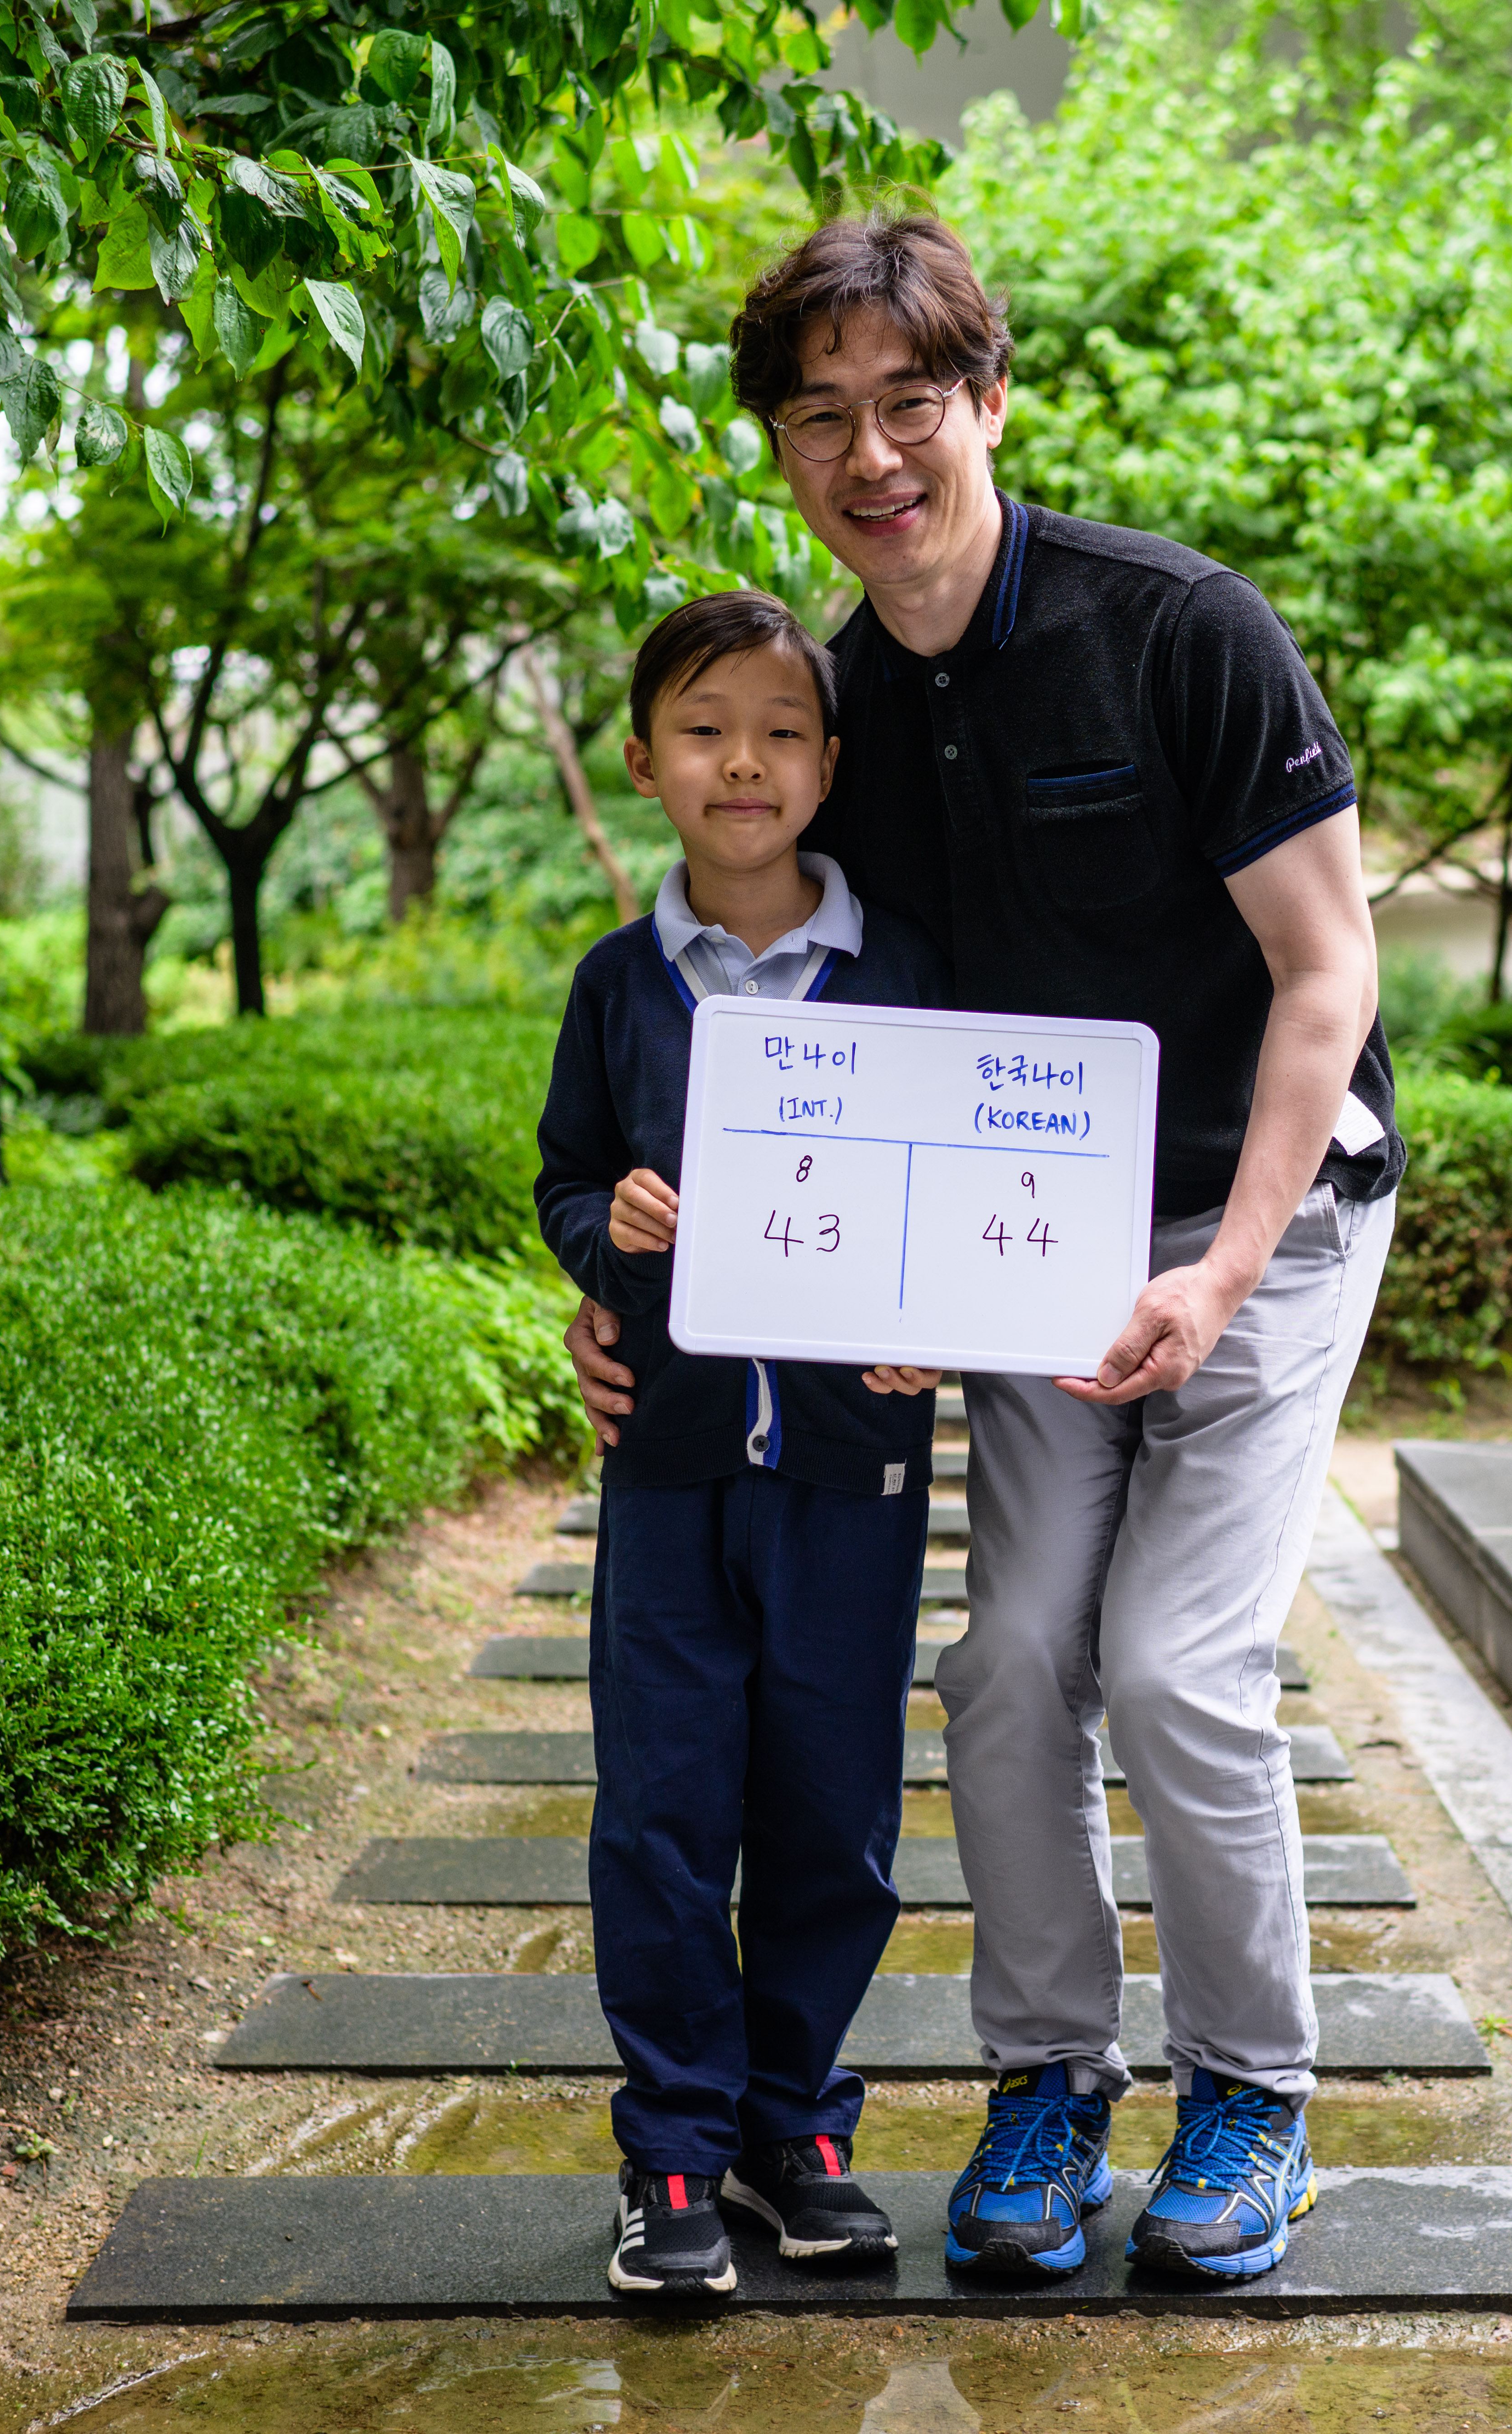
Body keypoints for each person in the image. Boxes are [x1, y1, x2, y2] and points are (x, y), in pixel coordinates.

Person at [567, 217, 1401, 2282]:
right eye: (820, 417)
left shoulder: (1182, 629)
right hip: (1039, 1253)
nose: (871, 456)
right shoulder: (832, 707)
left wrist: (1221, 1274)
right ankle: (1050, 2072)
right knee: (1011, 1660)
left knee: (1177, 1664)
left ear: (990, 402)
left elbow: (1328, 972)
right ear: (783, 447)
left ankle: (1253, 2091)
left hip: (1260, 1219)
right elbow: (826, 1046)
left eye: (910, 404)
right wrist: (671, 1289)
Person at [532, 586, 950, 2299]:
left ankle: (797, 2126)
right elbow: (567, 1177)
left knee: (836, 1811)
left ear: (831, 764)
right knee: (663, 1808)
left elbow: (963, 1187)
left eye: (782, 731)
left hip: (854, 1472)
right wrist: (605, 1236)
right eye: (703, 730)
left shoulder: (901, 967)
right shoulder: (619, 984)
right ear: (645, 763)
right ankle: (675, 2149)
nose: (745, 762)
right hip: (674, 1465)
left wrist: (938, 1311)